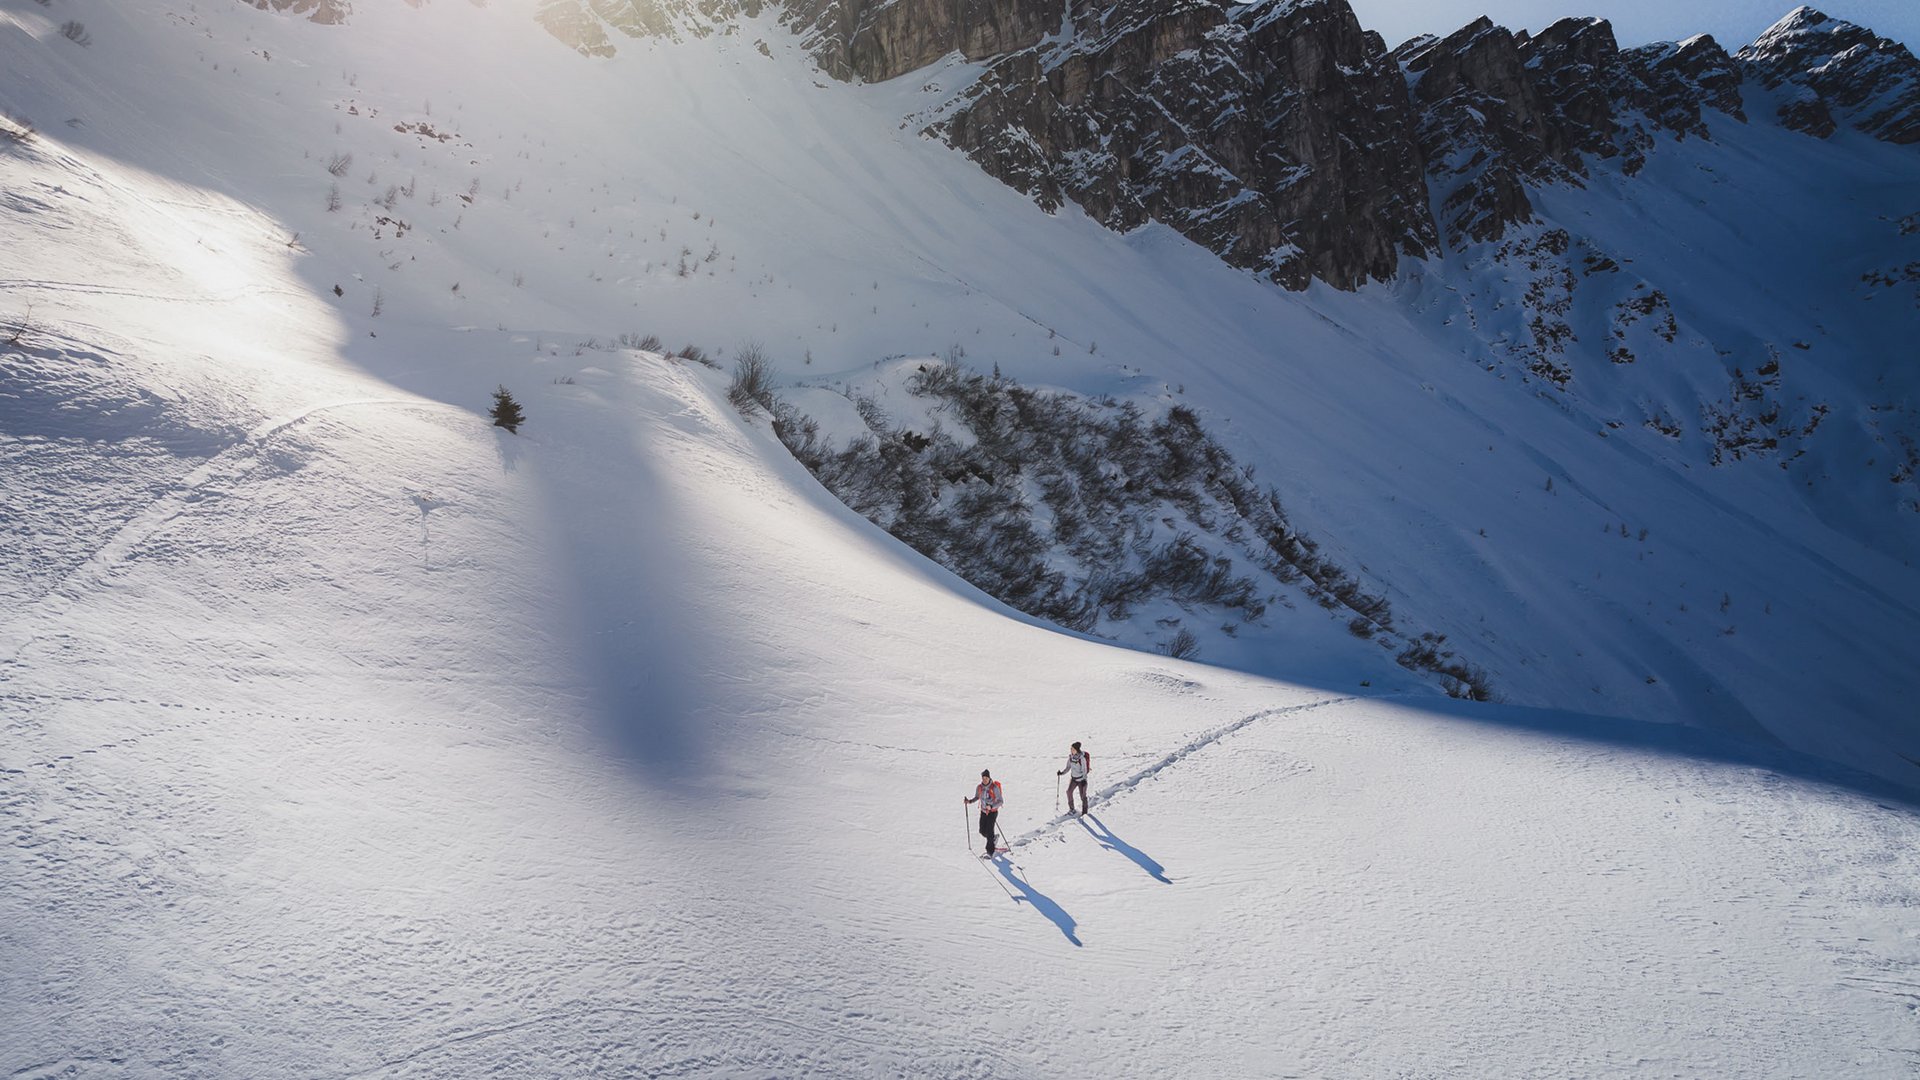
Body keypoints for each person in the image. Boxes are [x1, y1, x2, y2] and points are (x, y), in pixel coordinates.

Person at [965, 769, 1004, 857]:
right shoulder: (979, 787)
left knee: (989, 831)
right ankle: (993, 838)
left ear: (989, 778)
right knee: (982, 831)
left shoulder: (994, 787)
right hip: (983, 812)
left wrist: (991, 806)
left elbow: (1001, 801)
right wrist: (969, 801)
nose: (984, 780)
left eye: (986, 778)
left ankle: (990, 852)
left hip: (992, 812)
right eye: (983, 778)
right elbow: (977, 797)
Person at [1058, 741, 1091, 815]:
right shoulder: (1071, 757)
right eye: (1071, 748)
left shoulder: (1081, 759)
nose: (1071, 750)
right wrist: (1061, 773)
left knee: (1083, 796)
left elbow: (1084, 770)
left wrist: (1084, 780)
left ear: (1076, 750)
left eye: (1072, 749)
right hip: (1074, 779)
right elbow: (1068, 767)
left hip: (1081, 780)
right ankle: (1072, 809)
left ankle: (1085, 812)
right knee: (1069, 792)